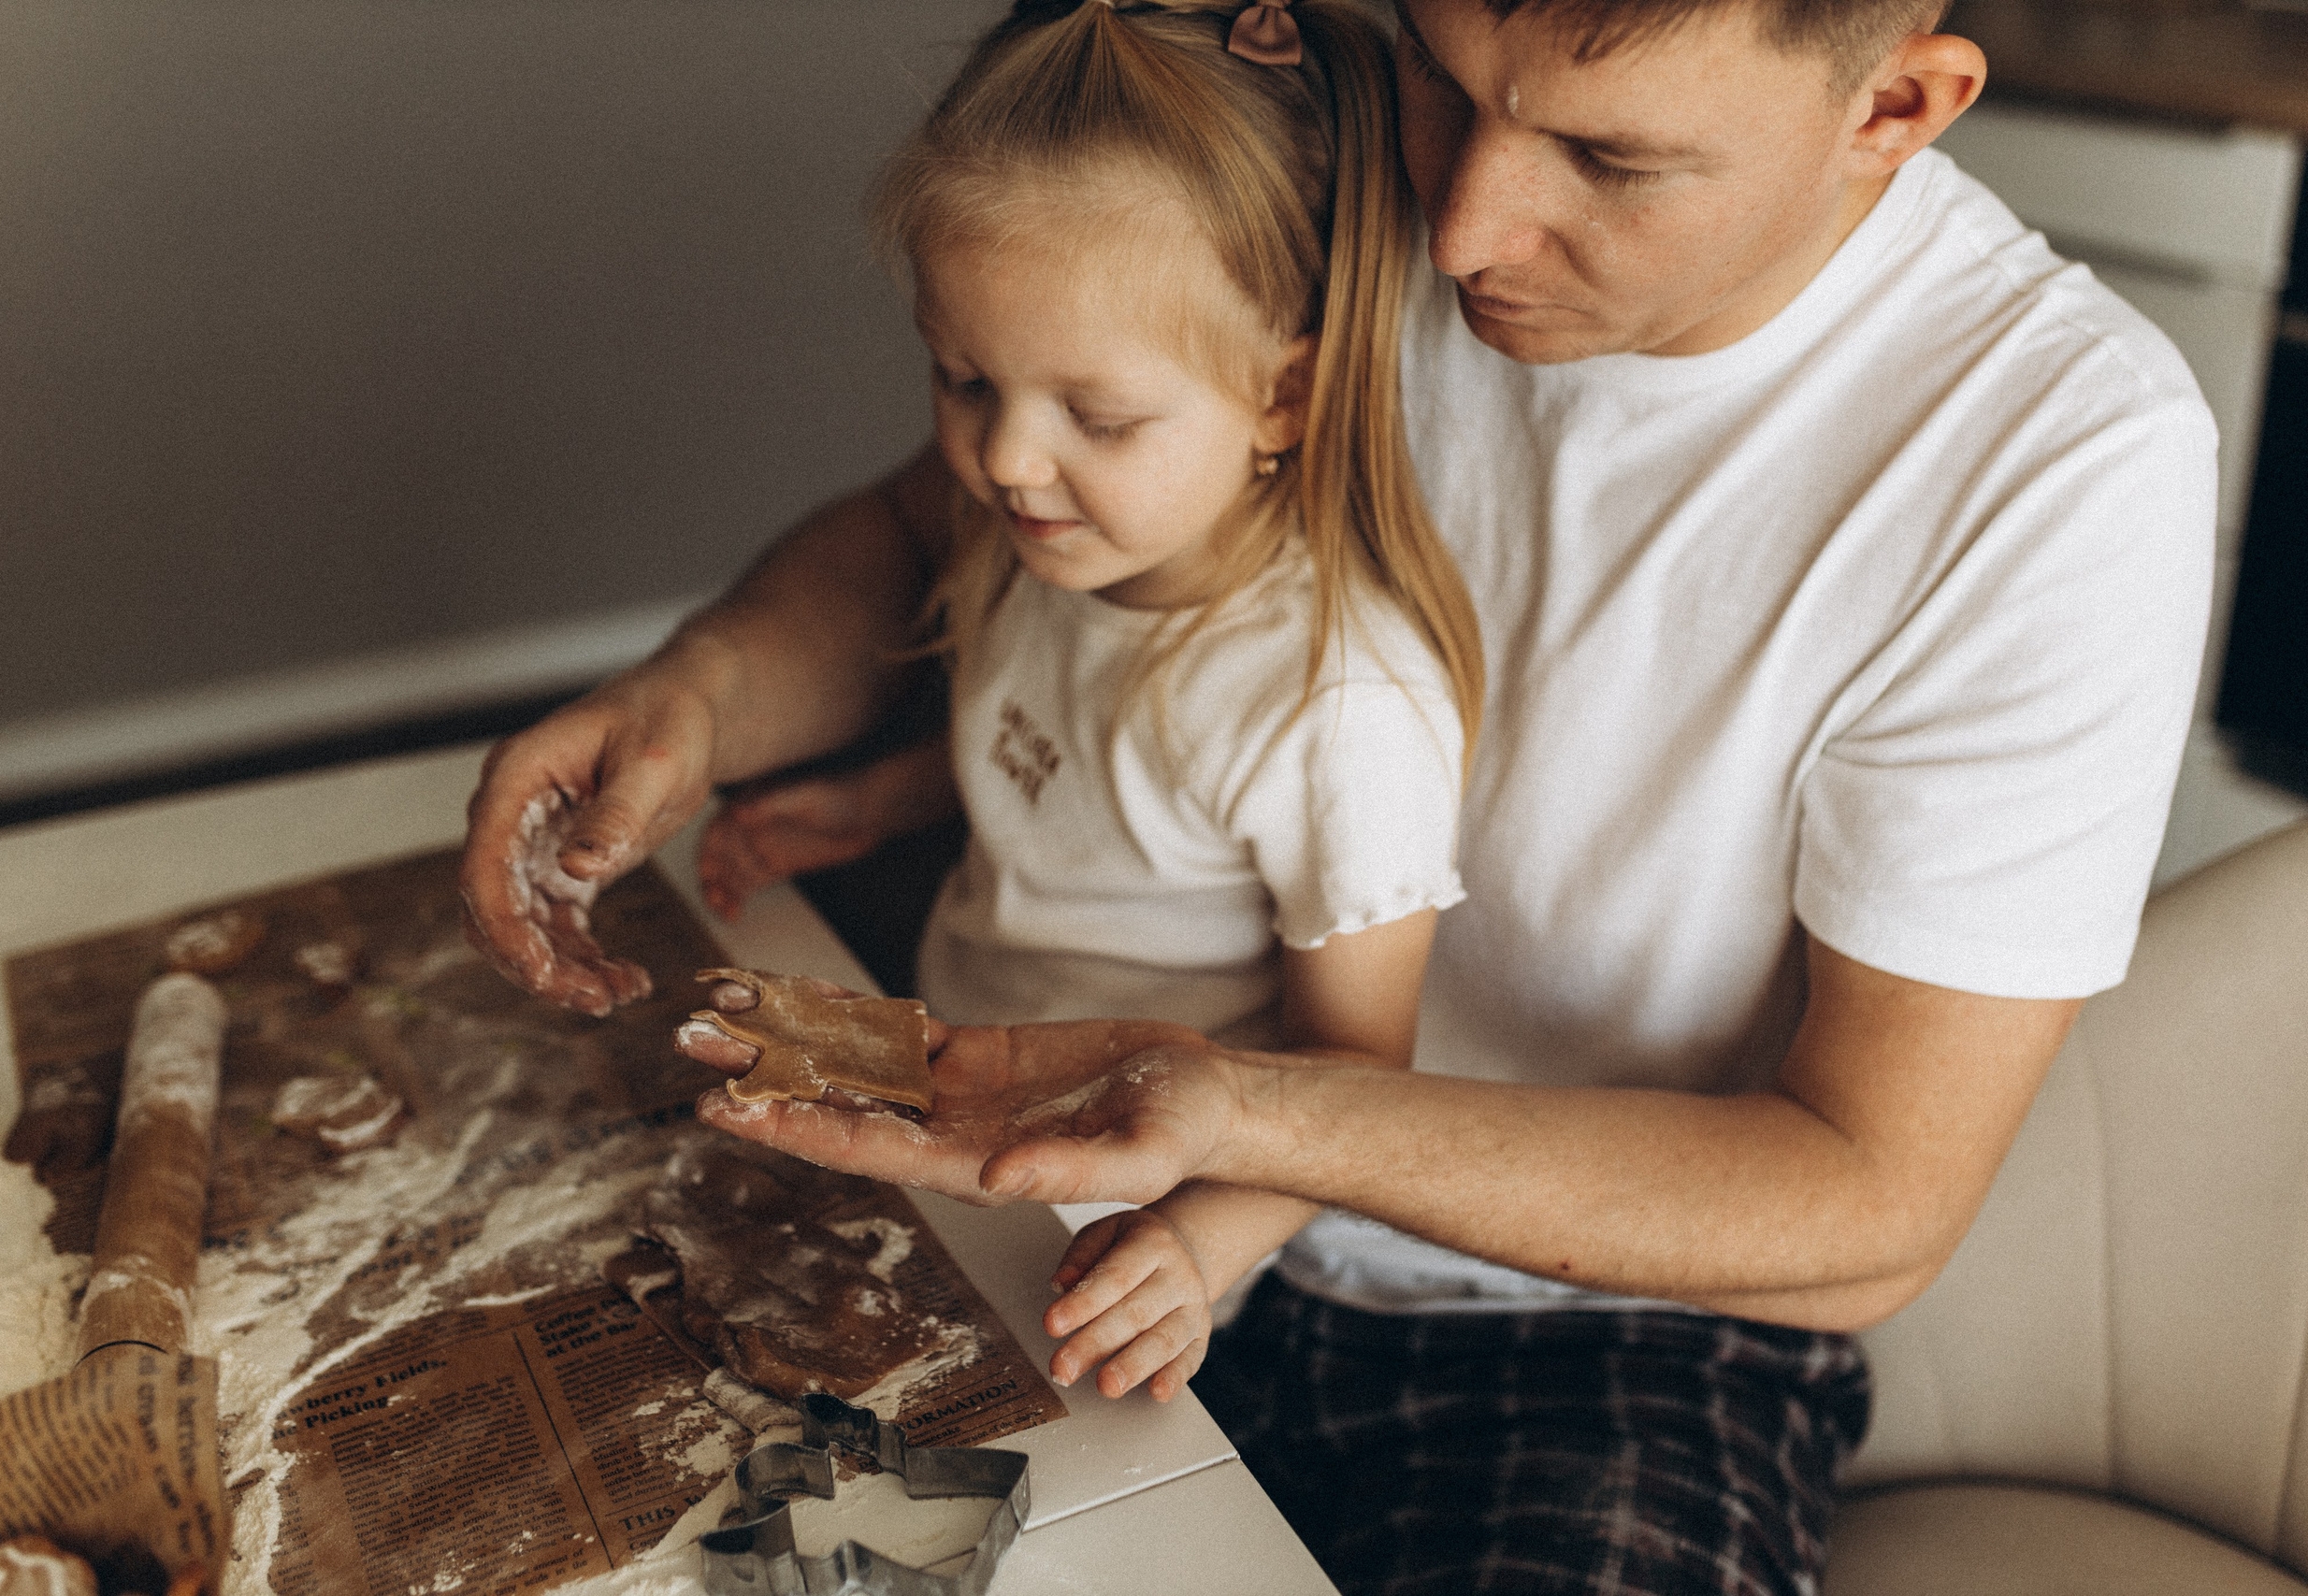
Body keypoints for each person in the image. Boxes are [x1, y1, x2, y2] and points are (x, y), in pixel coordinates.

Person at [461, 0, 2217, 1589]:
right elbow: (954, 519)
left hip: (1587, 1335)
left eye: (1611, 160)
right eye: (1449, 80)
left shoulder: (2058, 463)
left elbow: (1868, 1201)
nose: (1455, 233)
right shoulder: (1317, 120)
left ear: (1893, 108)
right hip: (1114, 1182)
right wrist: (699, 693)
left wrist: (1247, 1129)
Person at [701, 0, 1485, 1404]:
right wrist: (881, 802)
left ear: (1284, 395)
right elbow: (1079, 767)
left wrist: (1195, 1248)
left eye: (1099, 417)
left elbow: (1356, 1080)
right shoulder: (1061, 544)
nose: (1006, 458)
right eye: (964, 379)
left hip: (1119, 1231)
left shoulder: (1336, 709)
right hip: (944, 1085)